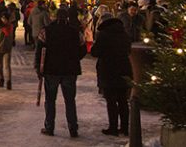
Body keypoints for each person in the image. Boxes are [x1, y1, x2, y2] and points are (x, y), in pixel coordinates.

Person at [35, 9, 87, 138]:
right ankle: (73, 128)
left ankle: (49, 127)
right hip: (70, 70)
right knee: (70, 100)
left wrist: (38, 68)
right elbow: (83, 49)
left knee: (50, 100)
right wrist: (74, 58)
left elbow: (39, 50)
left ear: (54, 17)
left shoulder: (46, 31)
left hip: (51, 70)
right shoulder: (75, 31)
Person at [91, 16, 132, 137]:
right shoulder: (124, 34)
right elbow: (128, 51)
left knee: (111, 101)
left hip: (108, 70)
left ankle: (113, 127)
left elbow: (95, 52)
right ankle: (125, 128)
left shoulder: (103, 35)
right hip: (124, 70)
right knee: (123, 100)